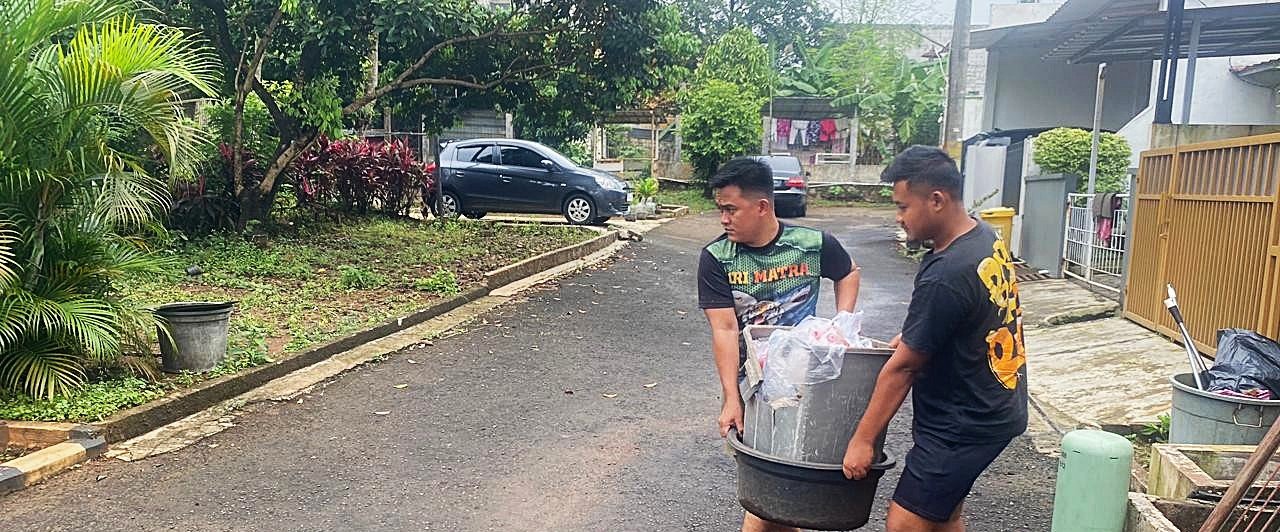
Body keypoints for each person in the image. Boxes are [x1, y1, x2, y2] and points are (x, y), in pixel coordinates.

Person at [841, 146, 1028, 531]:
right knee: (942, 517)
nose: (898, 218)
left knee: (905, 523)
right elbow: (966, 317)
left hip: (964, 423)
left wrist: (863, 440)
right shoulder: (982, 237)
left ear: (937, 200)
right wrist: (911, 336)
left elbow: (904, 369)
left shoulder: (947, 272)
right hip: (994, 407)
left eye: (903, 207)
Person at [697, 157, 861, 532]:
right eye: (720, 209)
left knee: (778, 492)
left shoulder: (811, 244)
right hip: (755, 389)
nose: (723, 219)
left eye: (731, 209)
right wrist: (731, 398)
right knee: (772, 491)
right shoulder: (717, 258)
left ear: (762, 206)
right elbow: (724, 329)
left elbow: (848, 272)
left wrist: (841, 324)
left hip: (808, 385)